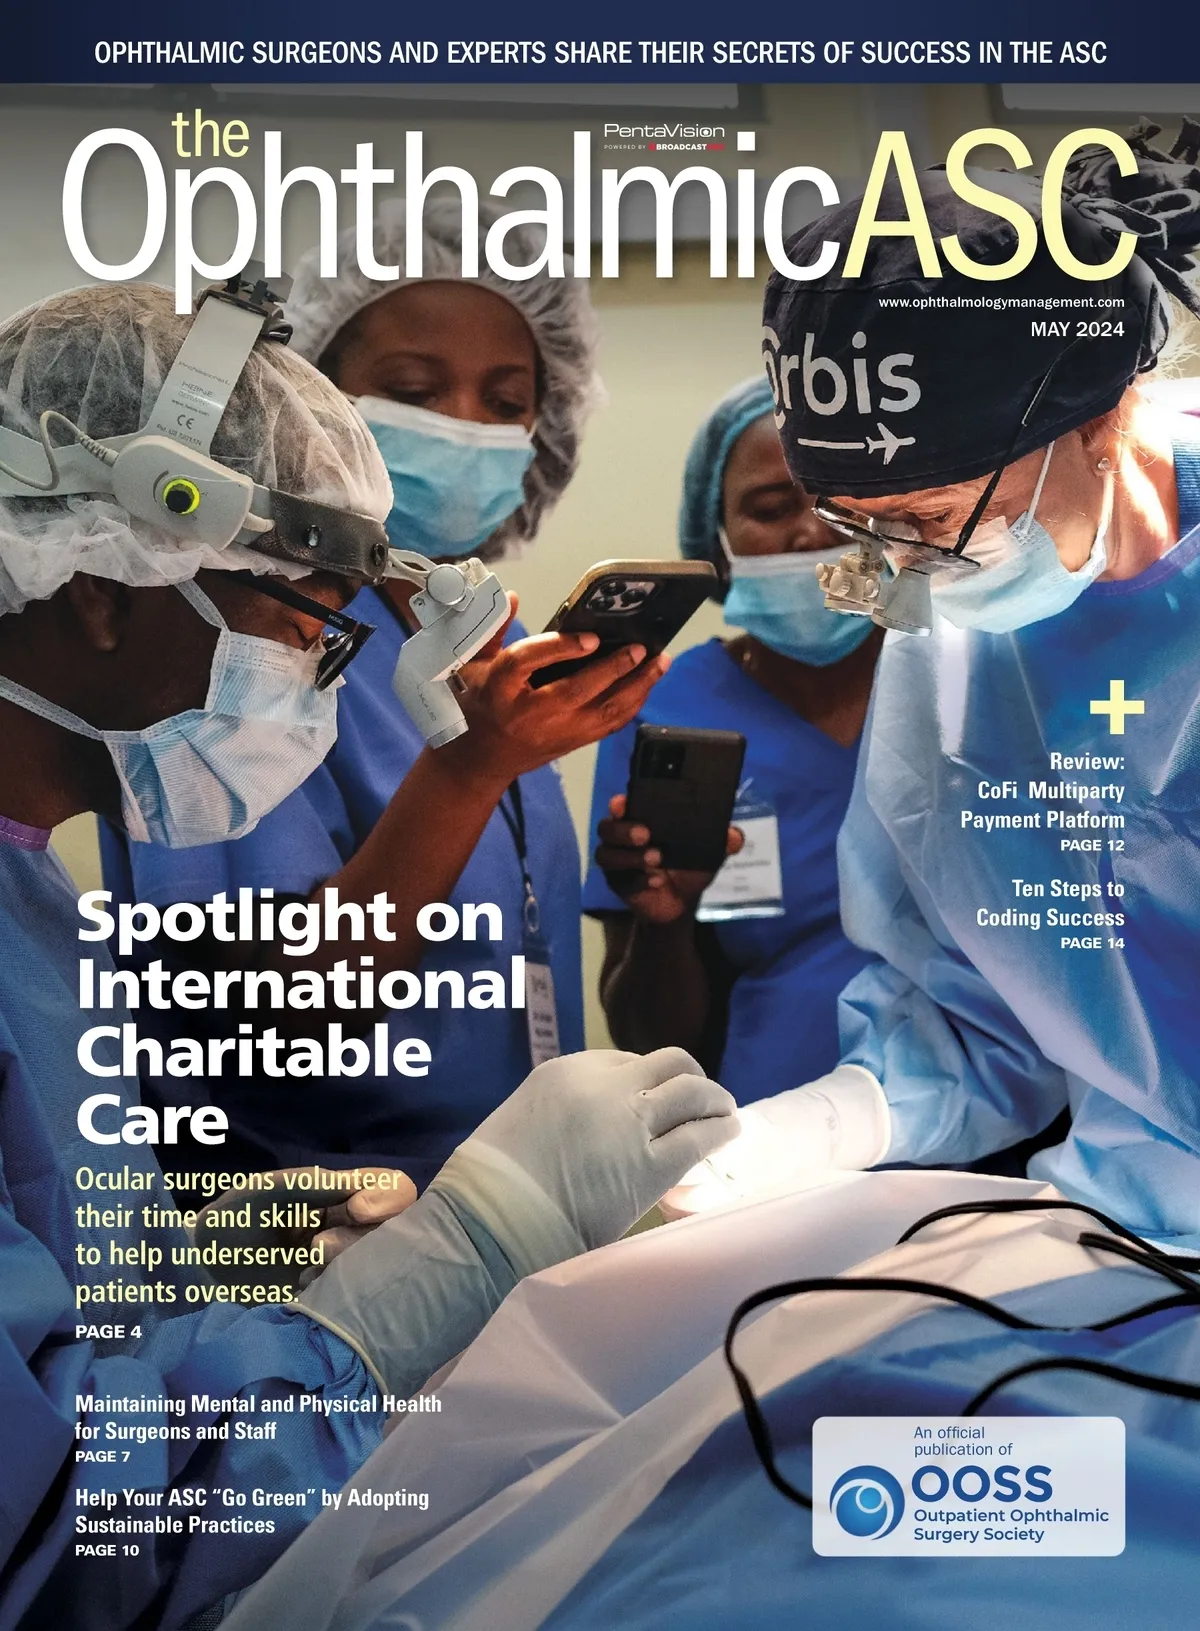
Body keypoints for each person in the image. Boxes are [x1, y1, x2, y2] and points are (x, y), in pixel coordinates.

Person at [0, 281, 738, 1629]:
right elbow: (65, 1527)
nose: (317, 676)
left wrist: (191, 1266)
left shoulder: (29, 891)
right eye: (310, 623)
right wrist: (448, 1262)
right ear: (104, 588)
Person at [667, 125, 1200, 1245]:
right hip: (1130, 1231)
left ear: (1103, 416)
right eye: (864, 525)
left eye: (935, 517)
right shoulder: (954, 639)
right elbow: (983, 1010)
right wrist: (813, 1127)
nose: (901, 570)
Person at [100, 200, 665, 1188]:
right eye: (413, 390)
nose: (465, 426)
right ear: (307, 400)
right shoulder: (243, 636)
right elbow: (268, 1005)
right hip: (313, 1217)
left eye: (505, 399)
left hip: (511, 1196)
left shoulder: (489, 648)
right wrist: (469, 770)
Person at [582, 376, 881, 1098]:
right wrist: (666, 922)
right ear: (715, 542)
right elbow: (646, 1040)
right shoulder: (665, 706)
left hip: (997, 1131)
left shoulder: (963, 679)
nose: (812, 533)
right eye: (770, 508)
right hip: (771, 1134)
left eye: (839, 501)